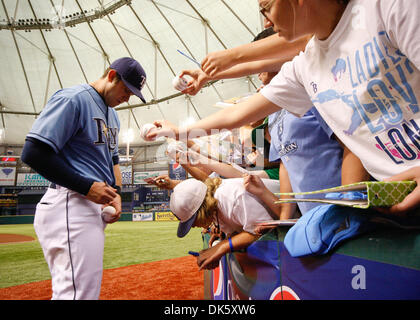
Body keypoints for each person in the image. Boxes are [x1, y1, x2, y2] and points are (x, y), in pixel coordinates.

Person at [149, 0, 420, 214]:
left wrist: (225, 63)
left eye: (266, 8)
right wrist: (177, 132)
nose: (267, 21)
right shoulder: (304, 66)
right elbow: (236, 114)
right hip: (397, 201)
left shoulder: (387, 8)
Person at [20, 57, 147, 300]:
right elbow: (33, 152)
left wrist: (116, 194)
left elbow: (113, 160)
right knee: (78, 295)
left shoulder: (113, 115)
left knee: (78, 293)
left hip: (88, 206)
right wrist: (86, 186)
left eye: (133, 93)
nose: (127, 98)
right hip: (70, 202)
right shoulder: (73, 98)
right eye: (126, 89)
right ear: (111, 76)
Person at [146, 175, 278, 270]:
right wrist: (217, 248)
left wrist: (221, 248)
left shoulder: (232, 197)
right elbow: (242, 231)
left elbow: (261, 231)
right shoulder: (215, 202)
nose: (193, 226)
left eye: (192, 221)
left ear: (202, 210)